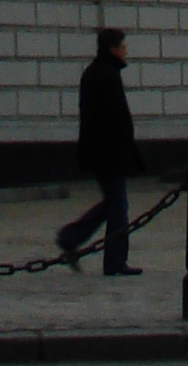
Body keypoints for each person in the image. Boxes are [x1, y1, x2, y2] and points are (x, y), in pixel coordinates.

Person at [57, 25, 140, 276]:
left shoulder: (95, 72)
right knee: (118, 207)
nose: (126, 52)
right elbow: (115, 118)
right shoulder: (107, 76)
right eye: (123, 47)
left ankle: (71, 237)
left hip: (98, 150)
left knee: (112, 203)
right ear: (113, 49)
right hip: (109, 152)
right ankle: (114, 260)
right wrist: (130, 149)